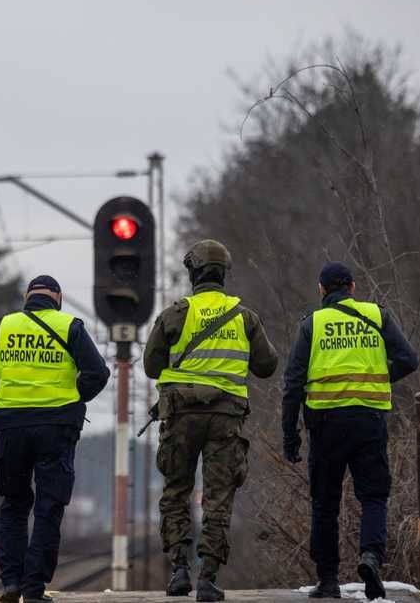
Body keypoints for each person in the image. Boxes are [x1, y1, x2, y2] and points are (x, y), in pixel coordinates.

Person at [143, 239, 278, 602]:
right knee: (218, 497)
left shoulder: (175, 313)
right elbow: (267, 366)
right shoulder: (244, 317)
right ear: (223, 274)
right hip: (226, 419)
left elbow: (151, 365)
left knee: (176, 491)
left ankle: (178, 571)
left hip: (182, 416)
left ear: (193, 273)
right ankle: (208, 578)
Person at [282, 262, 419, 600]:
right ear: (353, 287)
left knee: (325, 503)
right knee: (373, 496)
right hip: (368, 421)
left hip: (326, 426)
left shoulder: (312, 325)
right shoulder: (377, 316)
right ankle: (371, 556)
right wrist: (378, 377)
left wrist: (290, 434)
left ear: (321, 290)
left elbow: (292, 384)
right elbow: (409, 360)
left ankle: (328, 580)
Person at [0, 275, 110, 603]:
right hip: (55, 429)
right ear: (58, 298)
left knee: (14, 505)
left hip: (12, 431)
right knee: (49, 508)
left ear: (27, 298)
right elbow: (98, 372)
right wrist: (73, 401)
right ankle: (34, 589)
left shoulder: (4, 327)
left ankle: (10, 582)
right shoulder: (70, 327)